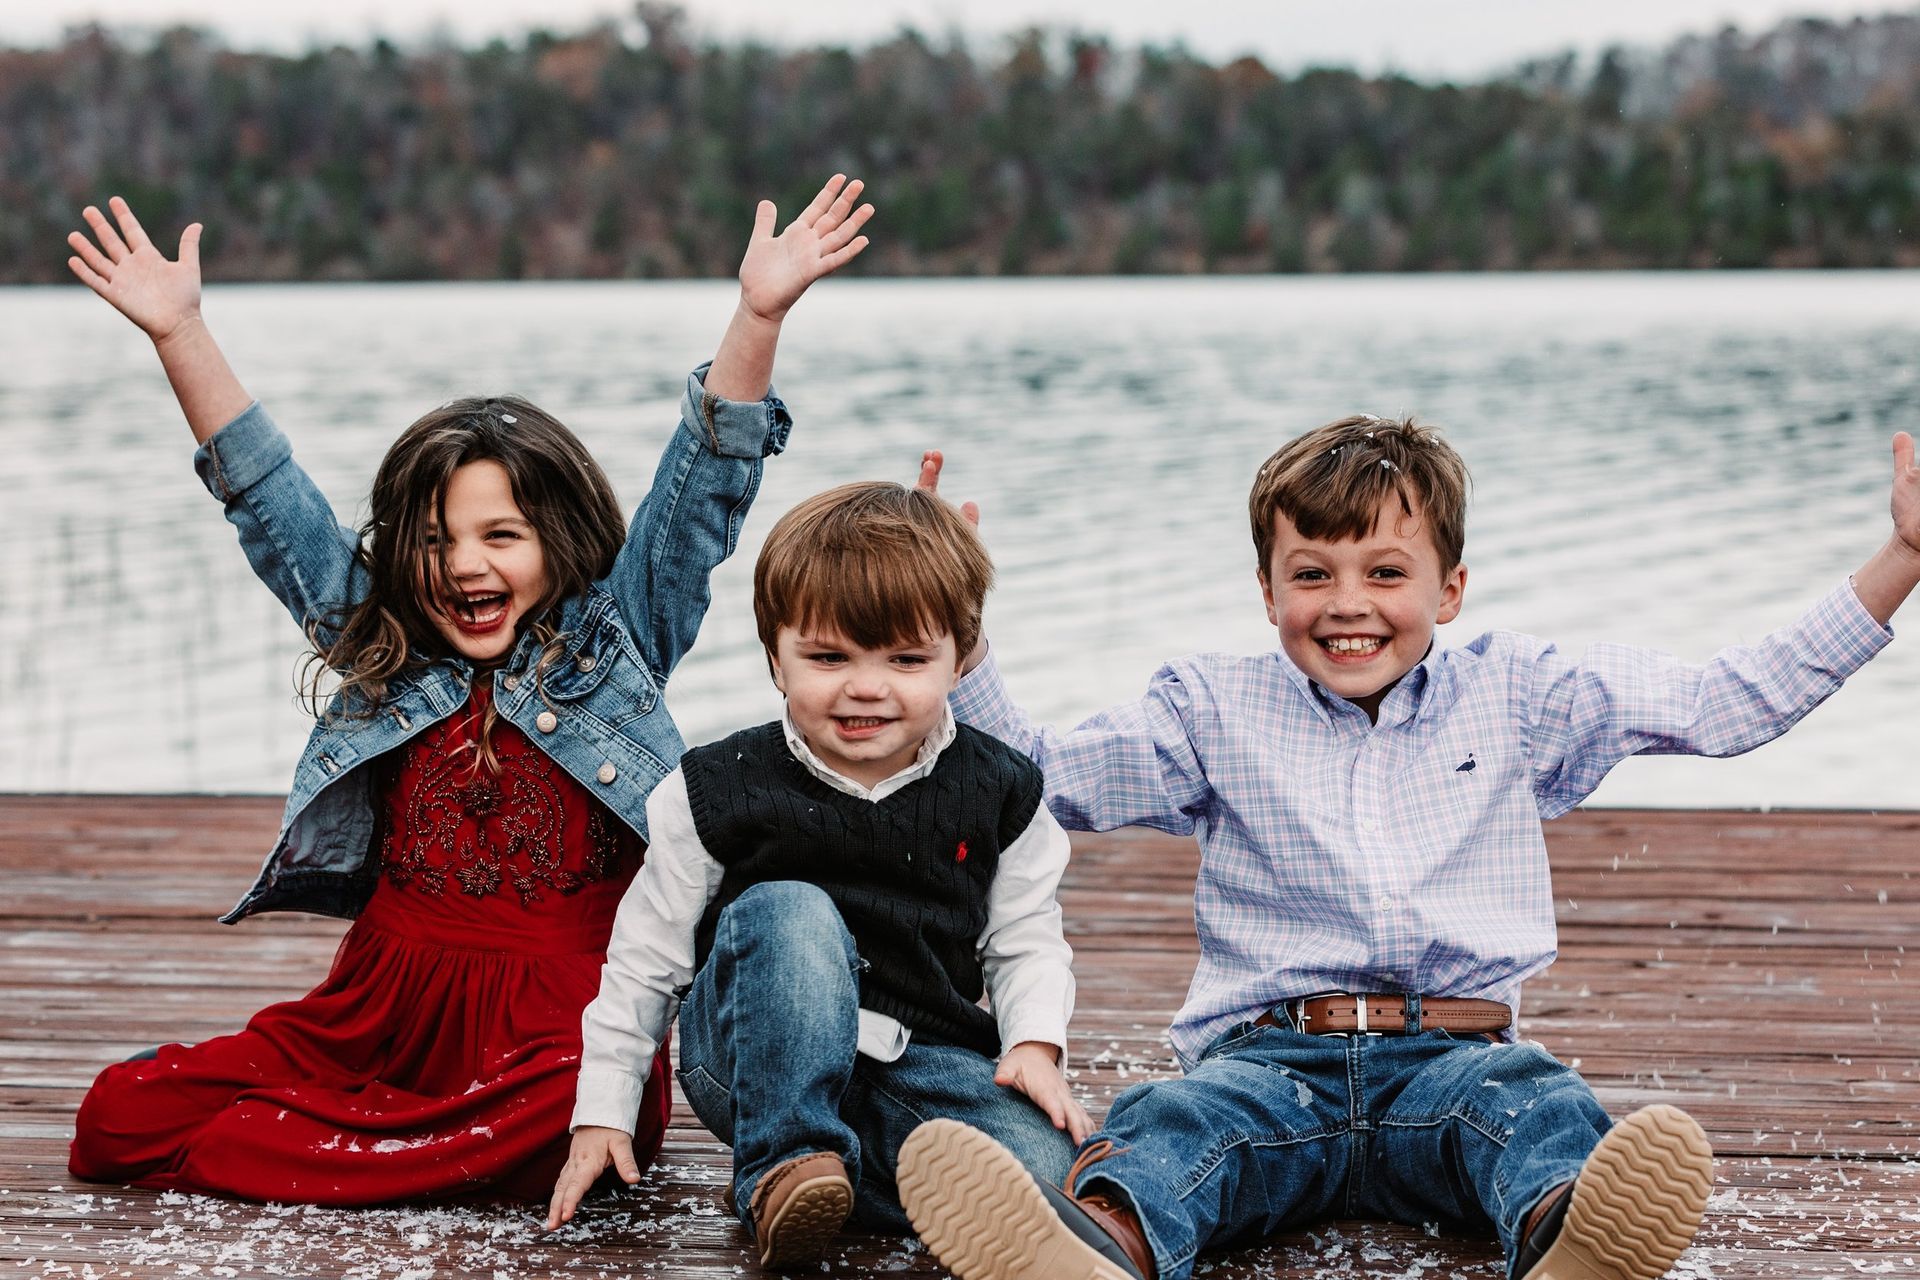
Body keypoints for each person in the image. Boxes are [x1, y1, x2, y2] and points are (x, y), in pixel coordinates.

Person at [895, 418, 1920, 1280]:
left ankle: (1574, 1241)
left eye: (1387, 571)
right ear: (1266, 590)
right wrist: (963, 633)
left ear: (1452, 587)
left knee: (1542, 1110)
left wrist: (1903, 559)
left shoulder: (1520, 693)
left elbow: (1723, 704)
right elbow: (1034, 778)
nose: (1348, 602)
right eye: (1312, 573)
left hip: (1455, 1060)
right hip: (1269, 1061)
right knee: (1172, 1125)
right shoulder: (1211, 707)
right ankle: (1096, 1251)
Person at [60, 175, 874, 1204]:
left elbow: (704, 480)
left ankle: (340, 1149)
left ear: (557, 540)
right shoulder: (382, 643)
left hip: (556, 1038)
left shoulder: (612, 643)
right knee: (117, 1112)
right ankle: (375, 1139)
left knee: (588, 1105)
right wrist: (179, 332)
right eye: (435, 538)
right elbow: (269, 500)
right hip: (381, 1016)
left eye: (500, 535)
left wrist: (758, 314)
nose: (462, 565)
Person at [544, 481, 1089, 1268]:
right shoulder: (718, 786)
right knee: (790, 910)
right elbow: (644, 960)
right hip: (750, 1055)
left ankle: (836, 1181)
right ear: (774, 657)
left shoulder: (1000, 790)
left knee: (1055, 1175)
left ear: (961, 657)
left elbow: (1026, 938)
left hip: (914, 1060)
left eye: (907, 659)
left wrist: (1035, 1043)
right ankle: (781, 1166)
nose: (866, 686)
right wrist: (603, 1113)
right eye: (828, 657)